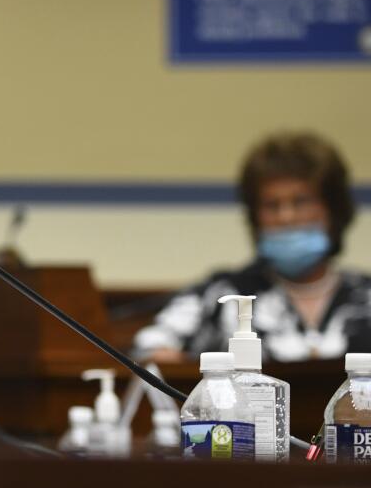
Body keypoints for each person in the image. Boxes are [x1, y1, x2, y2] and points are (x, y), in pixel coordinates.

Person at [134, 132, 371, 363]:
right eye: (271, 205)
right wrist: (161, 358)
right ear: (255, 218)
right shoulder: (222, 294)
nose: (286, 217)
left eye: (300, 201)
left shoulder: (365, 296)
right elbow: (148, 347)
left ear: (333, 210)